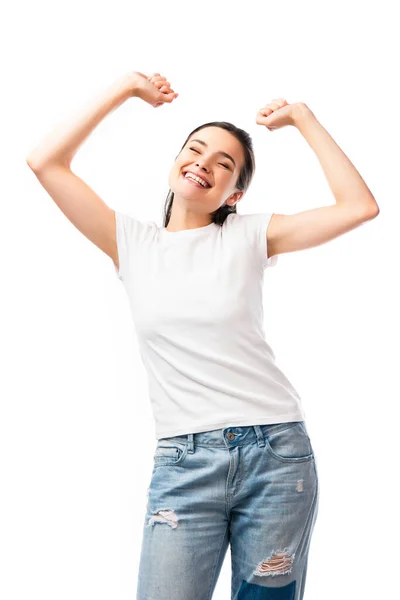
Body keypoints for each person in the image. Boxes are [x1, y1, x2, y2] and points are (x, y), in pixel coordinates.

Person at [26, 70, 380, 600]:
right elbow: (44, 162)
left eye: (224, 164)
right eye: (195, 150)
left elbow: (359, 207)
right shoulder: (130, 242)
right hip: (183, 461)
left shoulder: (250, 235)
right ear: (174, 163)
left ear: (234, 193)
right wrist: (125, 88)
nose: (204, 165)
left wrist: (303, 118)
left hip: (276, 453)